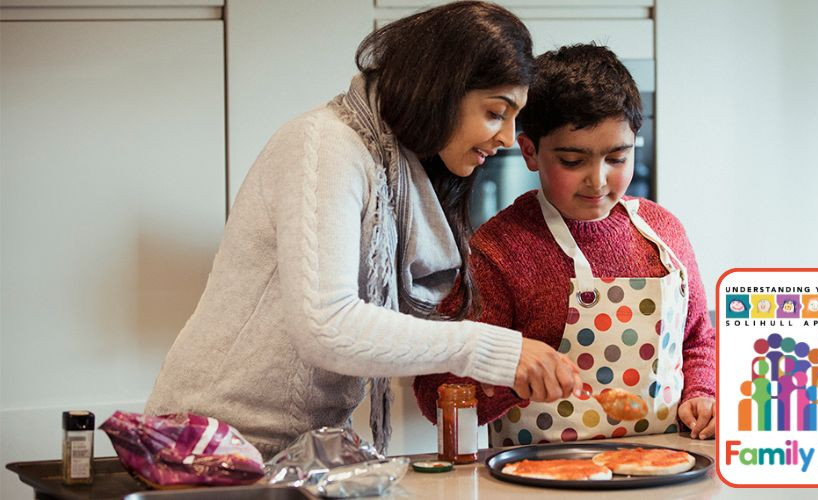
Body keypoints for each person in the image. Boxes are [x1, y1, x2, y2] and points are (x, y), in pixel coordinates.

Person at [145, 1, 582, 459]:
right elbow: (326, 325)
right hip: (207, 442)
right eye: (496, 112)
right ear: (441, 90)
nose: (508, 139)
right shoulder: (326, 145)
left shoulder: (406, 173)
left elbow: (401, 336)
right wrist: (496, 350)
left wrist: (499, 370)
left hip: (297, 450)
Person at [414, 44, 717, 445]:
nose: (598, 180)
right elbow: (434, 390)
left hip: (664, 467)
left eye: (617, 158)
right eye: (573, 161)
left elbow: (698, 337)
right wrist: (510, 376)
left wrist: (702, 394)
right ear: (530, 152)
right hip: (539, 479)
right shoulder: (499, 252)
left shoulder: (664, 230)